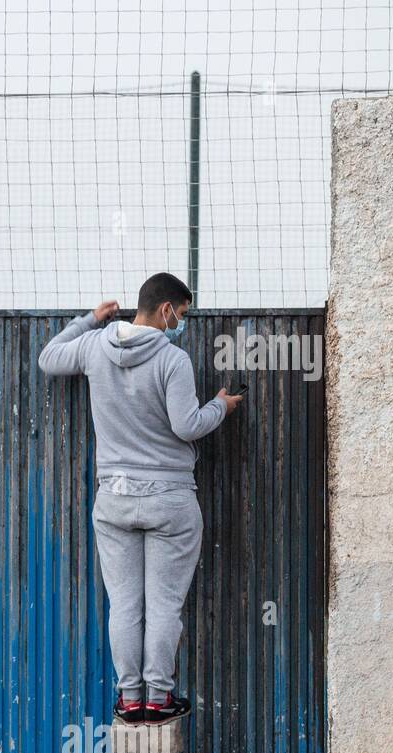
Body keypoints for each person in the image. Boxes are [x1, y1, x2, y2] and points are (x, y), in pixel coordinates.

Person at [37, 272, 243, 725]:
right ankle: (160, 699)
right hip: (169, 499)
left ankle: (131, 701)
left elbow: (48, 359)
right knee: (164, 606)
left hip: (114, 499)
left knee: (126, 606)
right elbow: (188, 425)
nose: (181, 323)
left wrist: (90, 319)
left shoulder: (95, 346)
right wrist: (221, 407)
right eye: (182, 314)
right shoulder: (173, 360)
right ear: (166, 309)